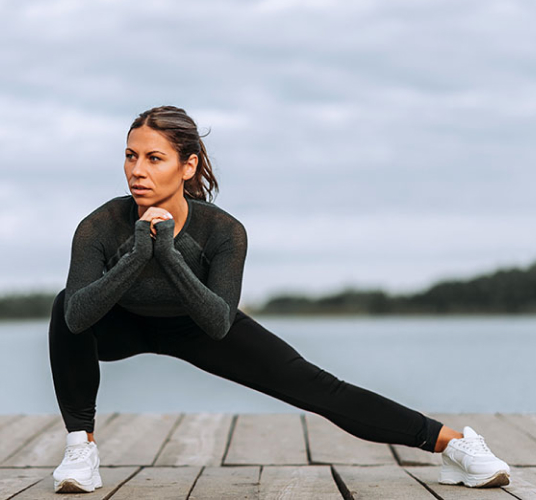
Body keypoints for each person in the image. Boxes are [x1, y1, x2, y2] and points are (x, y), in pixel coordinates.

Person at [49, 105, 510, 493]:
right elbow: (76, 317)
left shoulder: (224, 232)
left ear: (186, 166)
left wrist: (167, 253)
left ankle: (455, 445)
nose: (137, 170)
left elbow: (216, 323)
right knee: (62, 304)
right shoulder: (101, 225)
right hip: (121, 321)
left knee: (317, 386)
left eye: (154, 158)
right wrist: (137, 252)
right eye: (131, 156)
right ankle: (80, 450)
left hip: (199, 323)